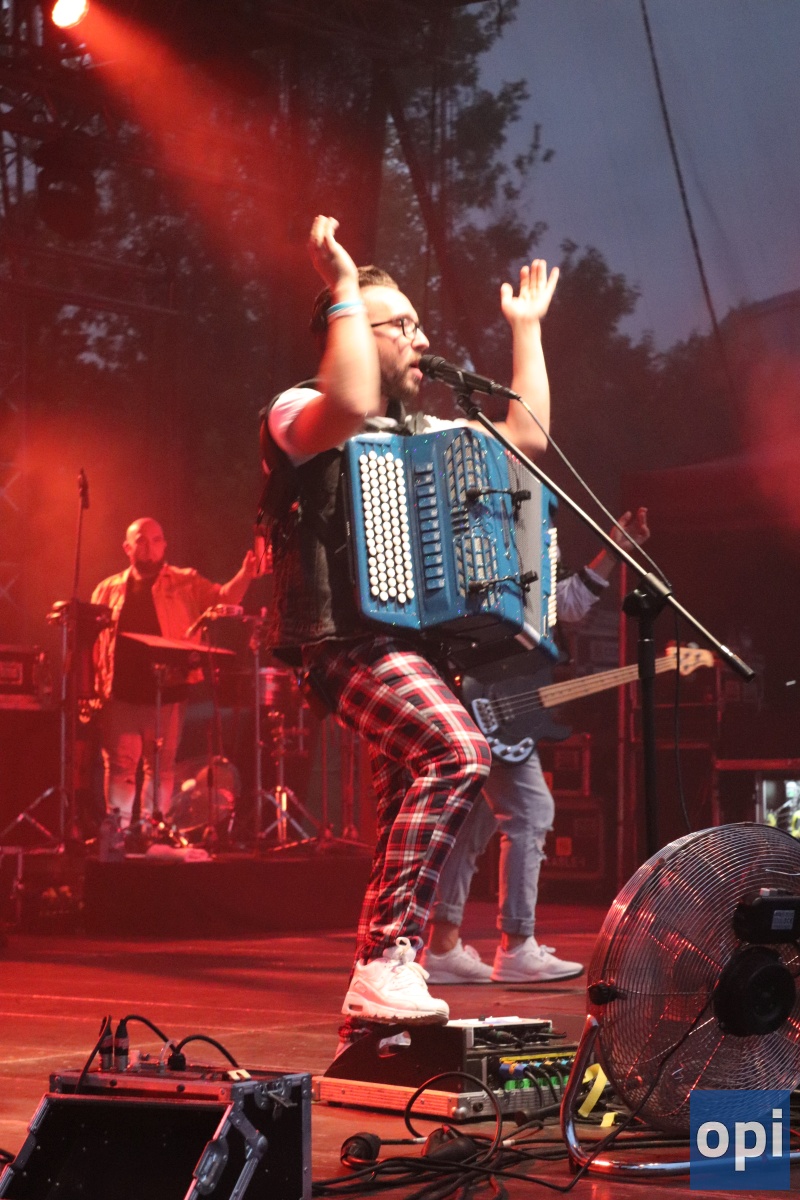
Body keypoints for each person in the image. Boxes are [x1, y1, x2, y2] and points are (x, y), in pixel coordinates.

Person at [259, 214, 559, 1033]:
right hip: (344, 640)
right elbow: (351, 398)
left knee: (407, 808)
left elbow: (527, 438)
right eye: (401, 325)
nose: (422, 339)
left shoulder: (428, 431)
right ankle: (387, 956)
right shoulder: (297, 409)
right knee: (458, 752)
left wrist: (526, 330)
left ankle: (385, 980)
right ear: (351, 332)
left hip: (416, 647)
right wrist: (343, 285)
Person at [422, 508, 650, 985]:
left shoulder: (537, 530)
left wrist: (614, 550)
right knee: (531, 810)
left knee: (476, 821)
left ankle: (442, 946)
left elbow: (563, 605)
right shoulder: (479, 523)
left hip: (501, 690)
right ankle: (517, 944)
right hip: (481, 684)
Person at [91, 517, 257, 833]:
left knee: (161, 768)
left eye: (156, 540)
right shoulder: (106, 589)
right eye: (141, 540)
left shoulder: (185, 582)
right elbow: (90, 641)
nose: (149, 547)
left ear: (165, 545)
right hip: (120, 691)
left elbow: (223, 599)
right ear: (127, 548)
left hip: (169, 690)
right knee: (121, 767)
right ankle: (119, 835)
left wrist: (245, 574)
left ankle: (152, 832)